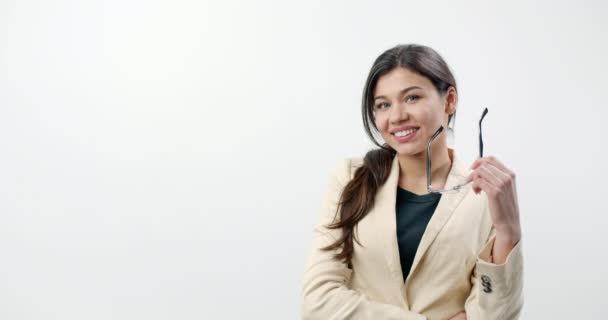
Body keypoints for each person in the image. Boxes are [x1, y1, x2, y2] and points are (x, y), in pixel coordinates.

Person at [300, 44, 523, 320]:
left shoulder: (485, 196)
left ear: (449, 100)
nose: (396, 117)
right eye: (383, 105)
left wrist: (508, 232)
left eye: (412, 98)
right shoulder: (350, 178)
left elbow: (496, 315)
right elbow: (317, 301)